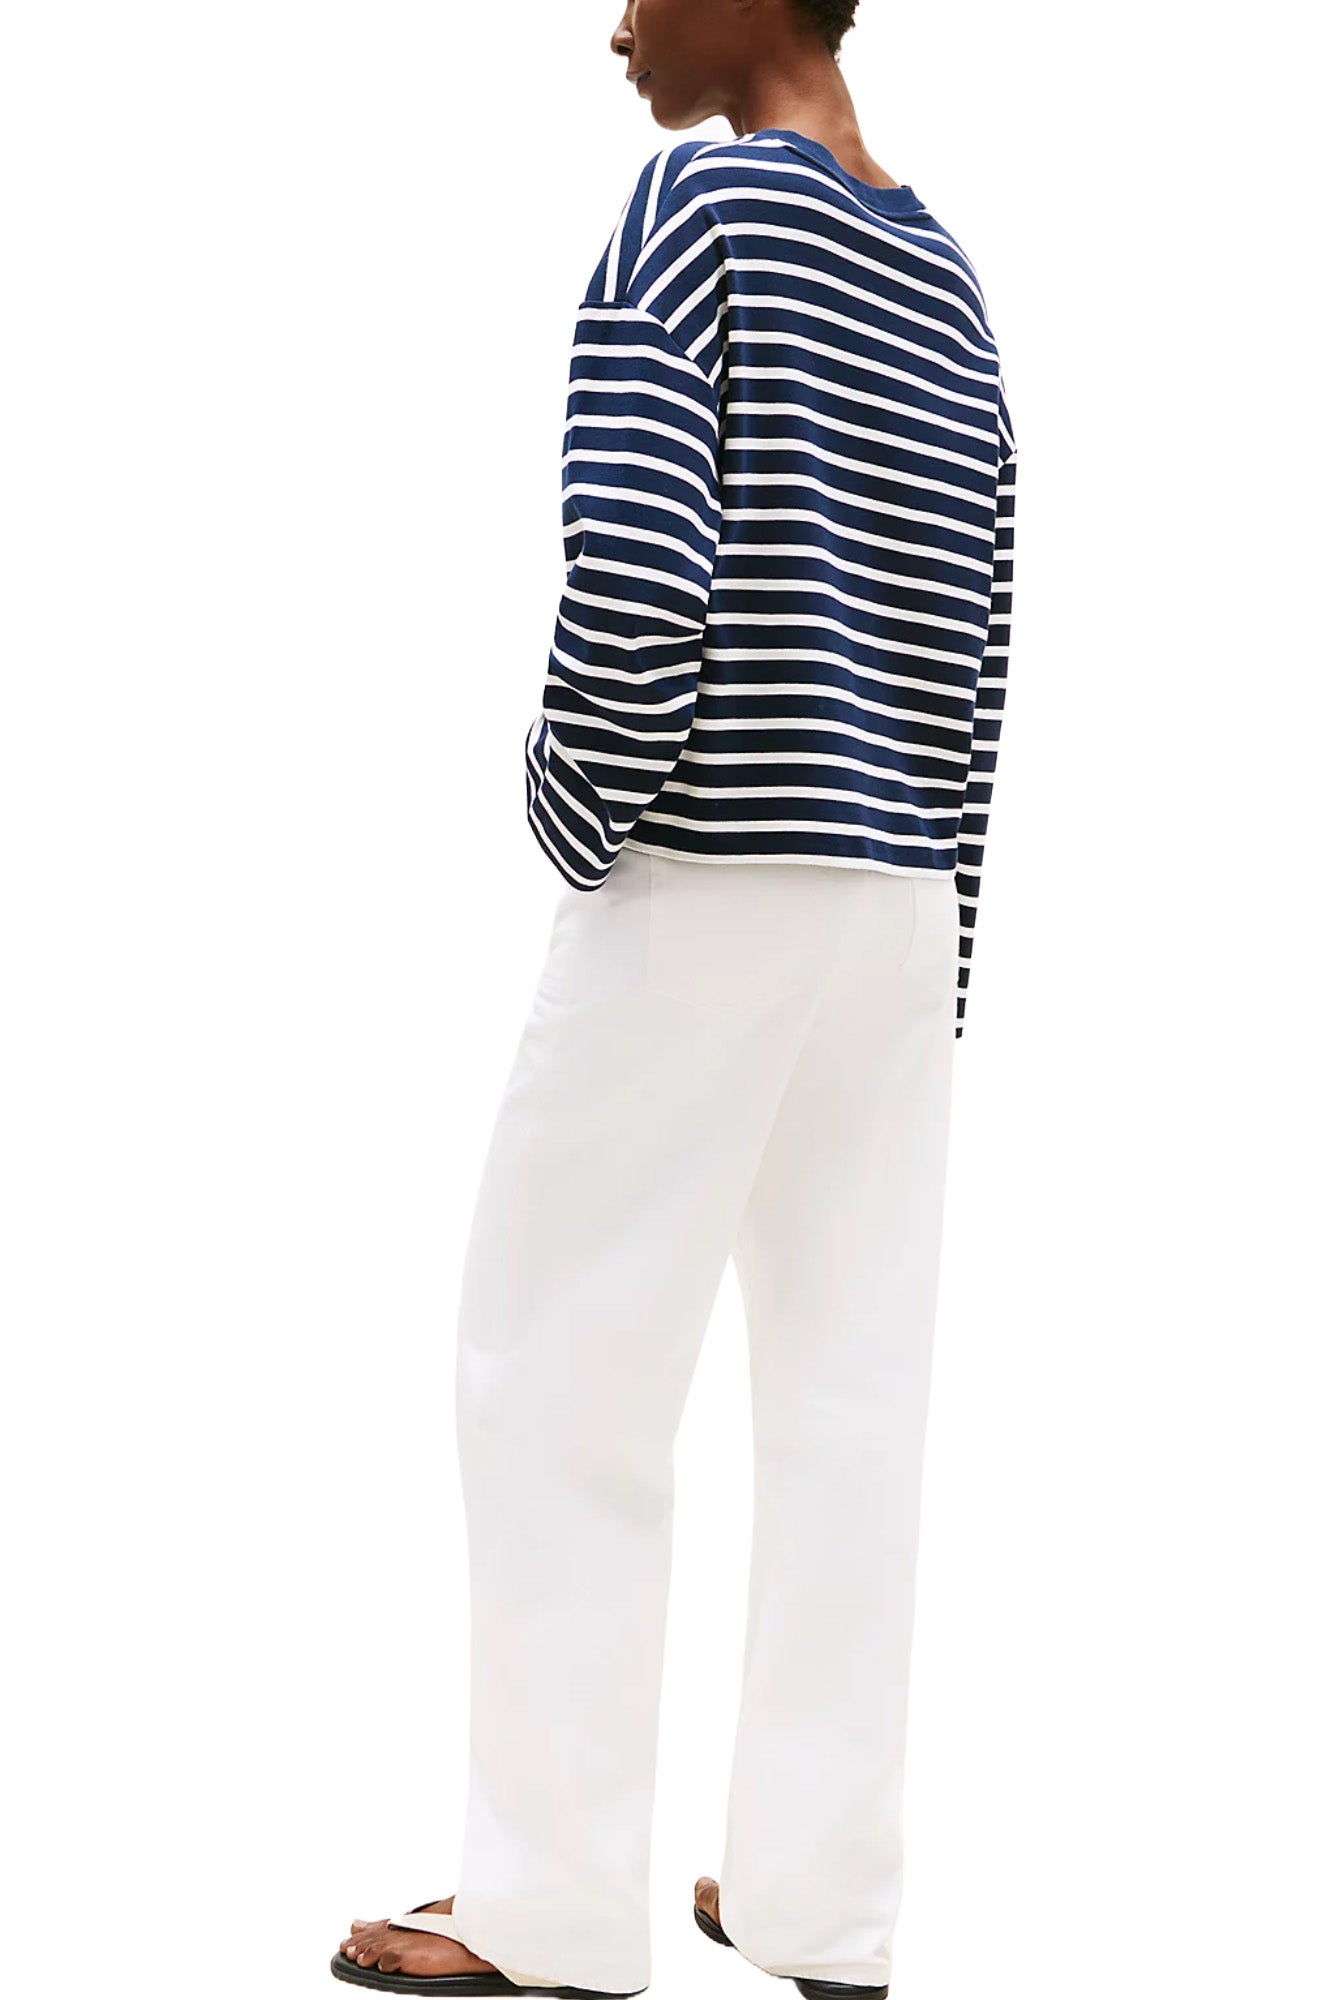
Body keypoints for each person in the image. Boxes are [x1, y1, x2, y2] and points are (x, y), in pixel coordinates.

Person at [330, 1, 1016, 1995]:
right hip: (895, 894)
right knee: (851, 1397)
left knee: (554, 1362)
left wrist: (573, 821)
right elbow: (981, 627)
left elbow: (635, 582)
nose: (617, 22)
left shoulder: (693, 212)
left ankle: (549, 1907)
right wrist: (946, 943)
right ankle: (823, 1900)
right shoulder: (950, 274)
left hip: (707, 865)